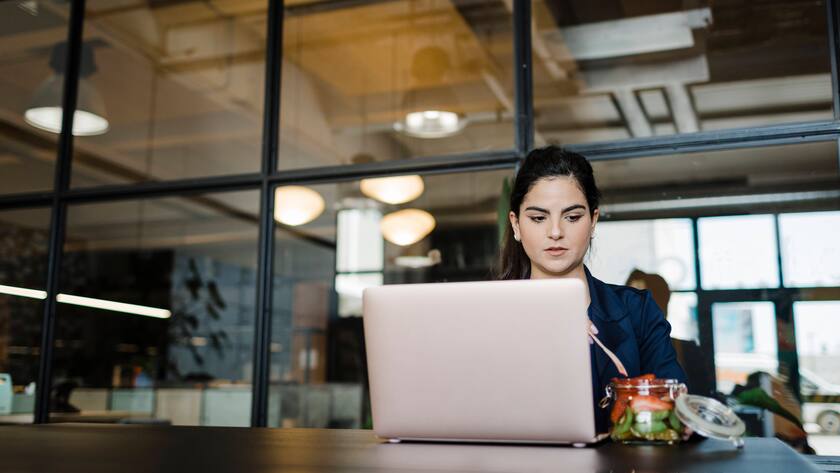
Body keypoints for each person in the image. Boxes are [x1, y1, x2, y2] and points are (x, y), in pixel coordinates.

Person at [495, 146, 687, 433]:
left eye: (572, 217)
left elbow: (676, 412)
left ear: (593, 221)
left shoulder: (639, 311)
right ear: (516, 225)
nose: (556, 231)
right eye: (538, 218)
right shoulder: (492, 317)